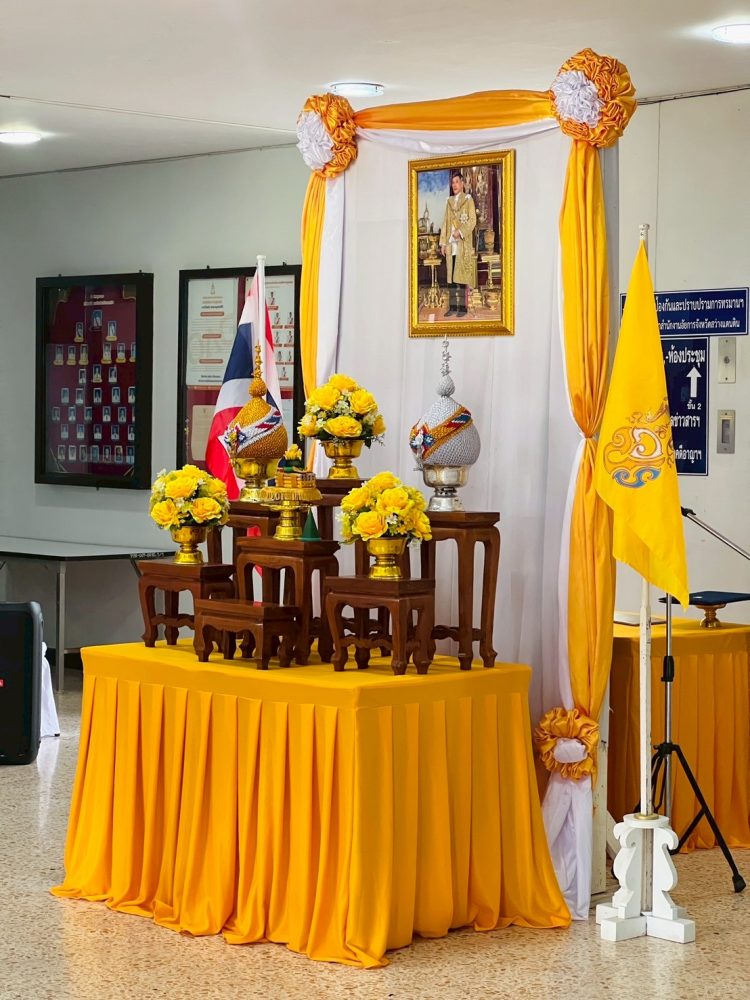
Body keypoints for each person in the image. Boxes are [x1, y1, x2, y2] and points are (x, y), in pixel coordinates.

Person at [439, 171, 476, 317]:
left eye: (457, 182)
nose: (454, 185)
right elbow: (445, 223)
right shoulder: (449, 201)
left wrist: (460, 232)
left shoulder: (468, 200)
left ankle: (463, 308)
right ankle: (453, 307)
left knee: (461, 276)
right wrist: (443, 243)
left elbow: (472, 221)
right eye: (452, 183)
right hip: (450, 245)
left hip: (462, 244)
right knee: (451, 277)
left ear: (462, 183)